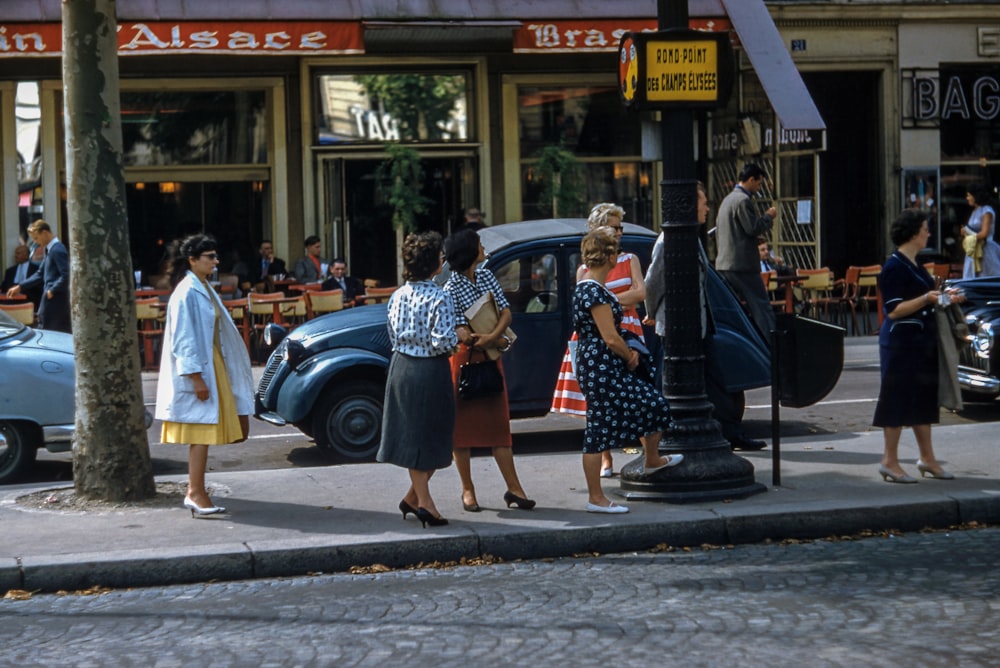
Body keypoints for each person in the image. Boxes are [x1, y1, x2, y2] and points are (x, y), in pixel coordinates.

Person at [644, 183, 767, 452]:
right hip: (677, 326)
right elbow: (653, 283)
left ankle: (731, 431)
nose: (707, 209)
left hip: (699, 321)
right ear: (690, 206)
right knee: (671, 384)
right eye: (704, 203)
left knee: (715, 381)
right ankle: (663, 434)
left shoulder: (692, 237)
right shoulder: (668, 240)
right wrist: (651, 313)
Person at [573, 227, 684, 514]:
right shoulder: (594, 291)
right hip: (602, 362)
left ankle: (650, 460)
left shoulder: (585, 284)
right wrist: (629, 355)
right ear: (609, 256)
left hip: (595, 361)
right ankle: (597, 498)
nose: (618, 256)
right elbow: (609, 336)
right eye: (615, 251)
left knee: (641, 408)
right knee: (605, 424)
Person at [155, 234, 254, 516]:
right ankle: (195, 492)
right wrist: (195, 377)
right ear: (192, 260)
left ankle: (196, 491)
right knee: (201, 432)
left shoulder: (202, 287)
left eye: (215, 256)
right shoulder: (187, 291)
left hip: (213, 363)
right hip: (201, 366)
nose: (215, 261)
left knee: (226, 428)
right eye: (209, 256)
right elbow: (182, 339)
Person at [443, 228, 534, 513]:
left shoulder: (485, 275)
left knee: (499, 426)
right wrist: (491, 337)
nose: (484, 248)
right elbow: (460, 330)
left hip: (490, 353)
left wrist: (493, 336)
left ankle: (514, 487)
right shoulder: (450, 288)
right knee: (462, 431)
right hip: (465, 360)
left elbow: (505, 310)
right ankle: (467, 489)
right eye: (479, 245)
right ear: (470, 253)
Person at [552, 202, 645, 477]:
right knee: (599, 398)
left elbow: (640, 292)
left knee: (637, 390)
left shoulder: (629, 260)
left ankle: (647, 451)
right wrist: (614, 303)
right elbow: (593, 305)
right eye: (613, 227)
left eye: (620, 227)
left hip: (627, 329)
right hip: (602, 333)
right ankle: (606, 458)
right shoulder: (585, 269)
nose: (619, 232)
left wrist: (607, 302)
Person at [873, 209, 961, 483]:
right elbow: (894, 310)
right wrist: (927, 298)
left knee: (922, 401)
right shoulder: (894, 266)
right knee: (896, 400)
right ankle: (889, 460)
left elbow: (926, 297)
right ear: (913, 233)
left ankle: (928, 458)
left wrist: (946, 298)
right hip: (901, 344)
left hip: (920, 342)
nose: (929, 233)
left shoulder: (914, 263)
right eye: (925, 228)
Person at [377, 231, 458, 528]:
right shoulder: (440, 296)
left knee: (414, 436)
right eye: (440, 256)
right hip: (430, 369)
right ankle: (425, 503)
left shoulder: (397, 295)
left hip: (401, 366)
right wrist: (459, 338)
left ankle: (414, 498)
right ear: (433, 263)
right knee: (432, 436)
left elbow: (391, 333)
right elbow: (443, 342)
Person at [715, 163, 778, 337]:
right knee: (761, 306)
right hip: (742, 265)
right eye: (758, 184)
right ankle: (771, 343)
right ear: (751, 180)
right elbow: (752, 228)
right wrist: (768, 217)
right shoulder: (742, 201)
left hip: (725, 264)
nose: (758, 188)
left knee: (734, 308)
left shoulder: (727, 200)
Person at [6, 220, 71, 333]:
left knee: (51, 331)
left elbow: (66, 275)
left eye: (36, 238)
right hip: (50, 300)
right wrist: (20, 287)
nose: (36, 242)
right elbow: (40, 274)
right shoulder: (50, 250)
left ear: (45, 233)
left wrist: (53, 290)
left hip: (56, 302)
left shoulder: (57, 250)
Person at [960, 183, 1000, 279]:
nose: (967, 198)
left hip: (985, 250)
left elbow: (985, 232)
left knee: (986, 278)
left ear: (976, 196)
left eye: (969, 195)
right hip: (974, 250)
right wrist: (965, 231)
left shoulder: (987, 211)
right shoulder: (974, 211)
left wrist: (971, 238)